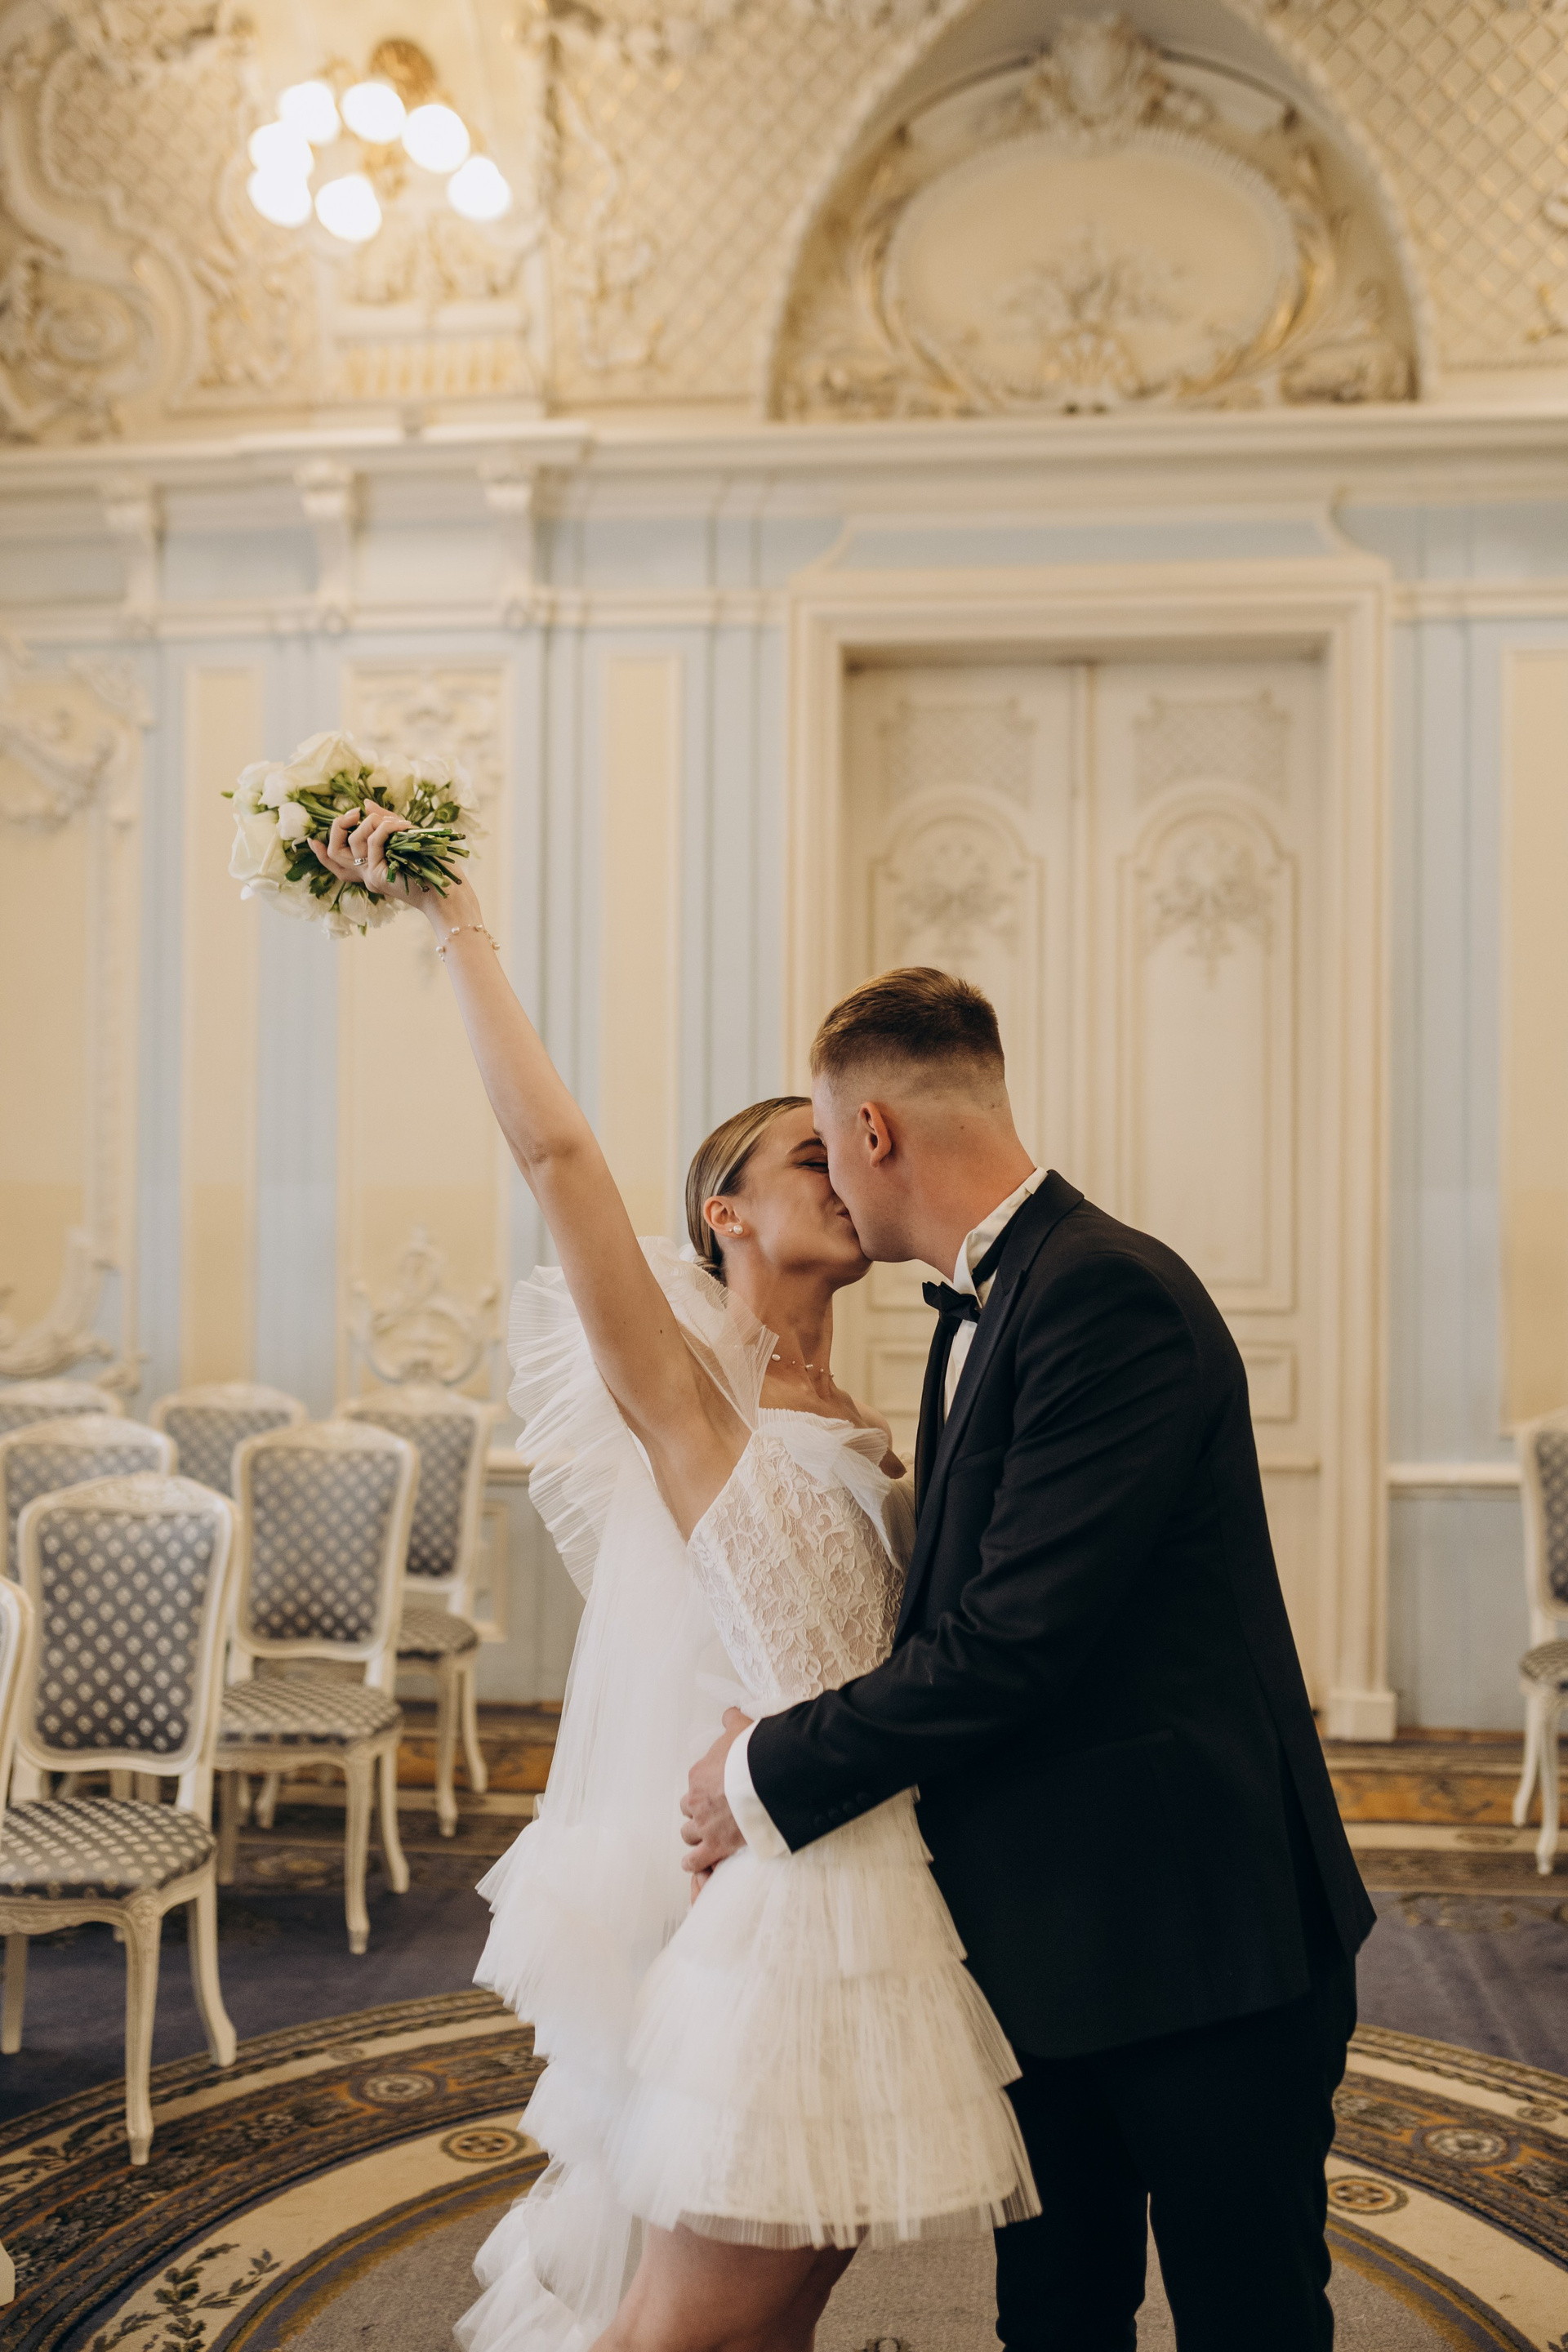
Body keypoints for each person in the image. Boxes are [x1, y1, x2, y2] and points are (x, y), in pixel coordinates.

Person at [310, 809, 1037, 2352]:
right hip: (780, 1917)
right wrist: (454, 920)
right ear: (725, 1213)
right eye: (805, 1156)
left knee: (784, 2311)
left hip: (884, 1890)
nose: (843, 1171)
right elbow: (557, 1155)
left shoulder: (878, 1420)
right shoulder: (694, 1405)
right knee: (684, 2332)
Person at [680, 962, 1377, 2352]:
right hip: (1046, 1942)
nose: (836, 1185)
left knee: (1248, 2322)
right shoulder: (992, 1305)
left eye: (829, 1148)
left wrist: (759, 1772)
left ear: (874, 1131)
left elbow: (1010, 1644)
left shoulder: (1103, 1293)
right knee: (1056, 2319)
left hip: (1198, 1941)